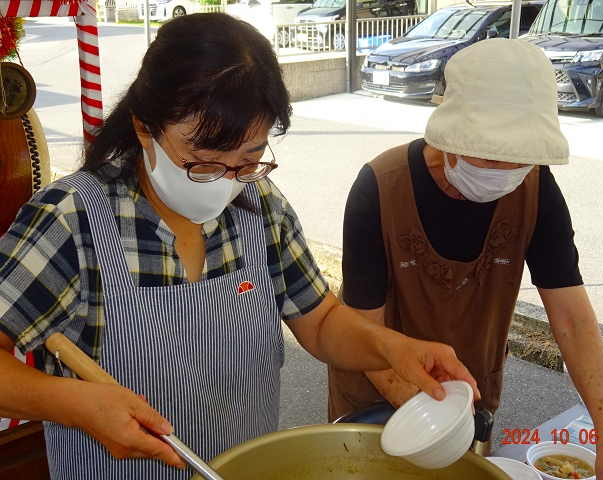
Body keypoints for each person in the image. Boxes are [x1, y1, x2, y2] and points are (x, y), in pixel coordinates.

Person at [0, 13, 480, 480]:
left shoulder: (260, 206)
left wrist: (392, 347)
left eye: (249, 160)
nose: (226, 183)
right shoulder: (71, 219)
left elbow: (321, 322)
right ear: (145, 127)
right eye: (203, 161)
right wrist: (76, 405)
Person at [328, 38, 603, 479]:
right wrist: (434, 419)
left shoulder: (536, 189)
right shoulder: (380, 188)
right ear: (451, 131)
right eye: (488, 153)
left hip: (466, 401)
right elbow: (364, 327)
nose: (504, 170)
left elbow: (570, 316)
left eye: (519, 159)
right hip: (379, 395)